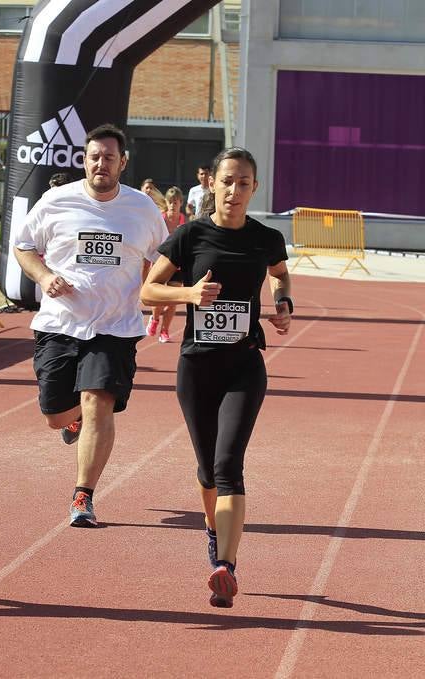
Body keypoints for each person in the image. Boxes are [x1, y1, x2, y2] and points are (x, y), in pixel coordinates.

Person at [140, 147, 292, 608]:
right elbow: (148, 291)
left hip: (245, 365)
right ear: (212, 184)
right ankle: (213, 530)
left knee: (229, 466)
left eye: (243, 182)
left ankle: (225, 565)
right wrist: (190, 292)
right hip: (198, 367)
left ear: (254, 188)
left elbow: (280, 276)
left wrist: (284, 304)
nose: (233, 190)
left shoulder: (266, 237)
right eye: (227, 181)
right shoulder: (190, 236)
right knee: (207, 469)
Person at [13, 124, 169, 528]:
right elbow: (24, 246)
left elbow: (164, 258)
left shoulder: (143, 209)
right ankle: (72, 423)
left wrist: (159, 295)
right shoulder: (55, 201)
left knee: (98, 401)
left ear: (123, 162)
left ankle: (83, 495)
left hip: (115, 326)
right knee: (54, 414)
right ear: (84, 159)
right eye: (95, 156)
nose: (101, 163)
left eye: (109, 157)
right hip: (60, 323)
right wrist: (45, 278)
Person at [146, 186, 185, 342]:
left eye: (175, 202)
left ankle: (165, 330)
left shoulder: (183, 220)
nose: (172, 205)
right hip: (160, 262)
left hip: (178, 264)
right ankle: (155, 319)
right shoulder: (160, 218)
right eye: (170, 202)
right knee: (160, 298)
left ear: (180, 203)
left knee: (173, 299)